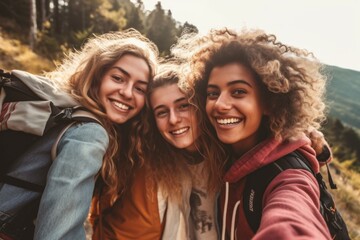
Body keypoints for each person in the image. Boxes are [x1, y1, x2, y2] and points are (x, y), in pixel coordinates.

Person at [172, 28, 332, 239]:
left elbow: (292, 223)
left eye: (238, 91)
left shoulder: (288, 177)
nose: (219, 104)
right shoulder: (224, 151)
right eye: (213, 93)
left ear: (269, 102)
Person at [33, 28, 158, 240]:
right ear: (97, 76)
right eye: (118, 78)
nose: (127, 93)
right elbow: (58, 234)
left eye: (140, 89)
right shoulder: (90, 133)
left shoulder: (65, 112)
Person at [90, 62, 225, 239]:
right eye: (162, 112)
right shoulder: (156, 165)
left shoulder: (229, 158)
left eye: (183, 106)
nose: (174, 119)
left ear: (199, 104)